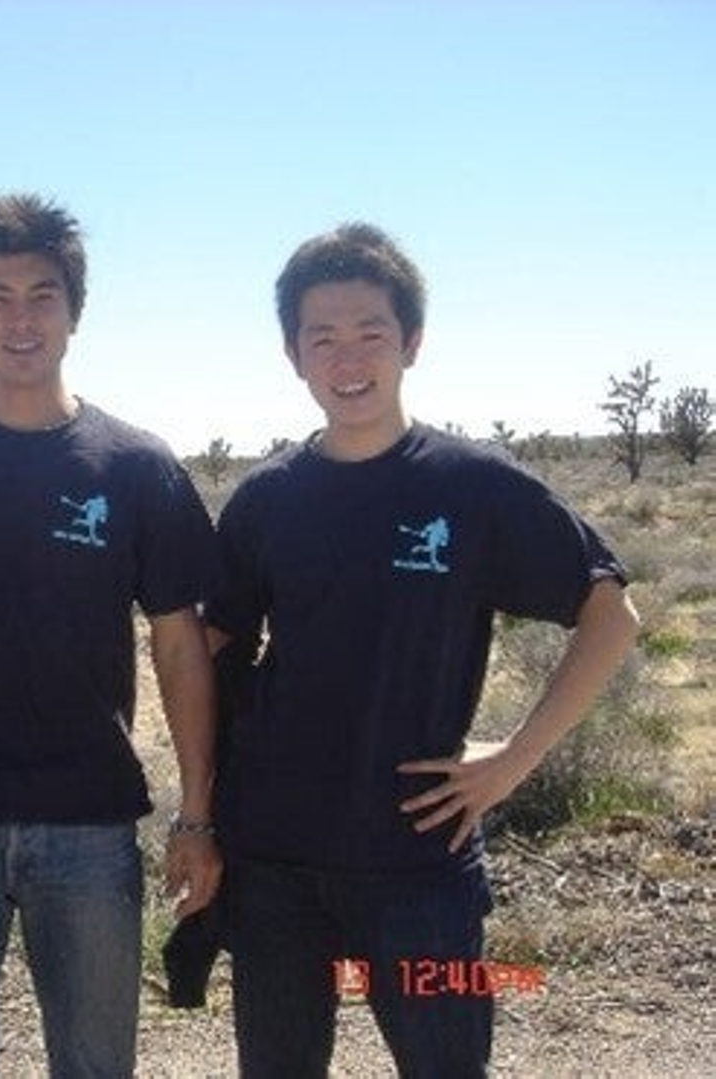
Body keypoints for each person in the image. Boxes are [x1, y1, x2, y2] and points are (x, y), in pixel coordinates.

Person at [205, 222, 640, 1077]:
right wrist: (205, 810)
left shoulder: (472, 485)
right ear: (294, 354)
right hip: (276, 858)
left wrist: (514, 761)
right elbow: (215, 646)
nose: (348, 358)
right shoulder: (266, 499)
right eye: (322, 338)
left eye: (370, 332)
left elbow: (611, 613)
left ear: (411, 341)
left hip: (419, 859)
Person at [0, 193, 222, 1078]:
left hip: (89, 824)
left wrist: (198, 811)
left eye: (42, 295)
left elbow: (179, 646)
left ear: (74, 311)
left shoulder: (137, 468)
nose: (20, 319)